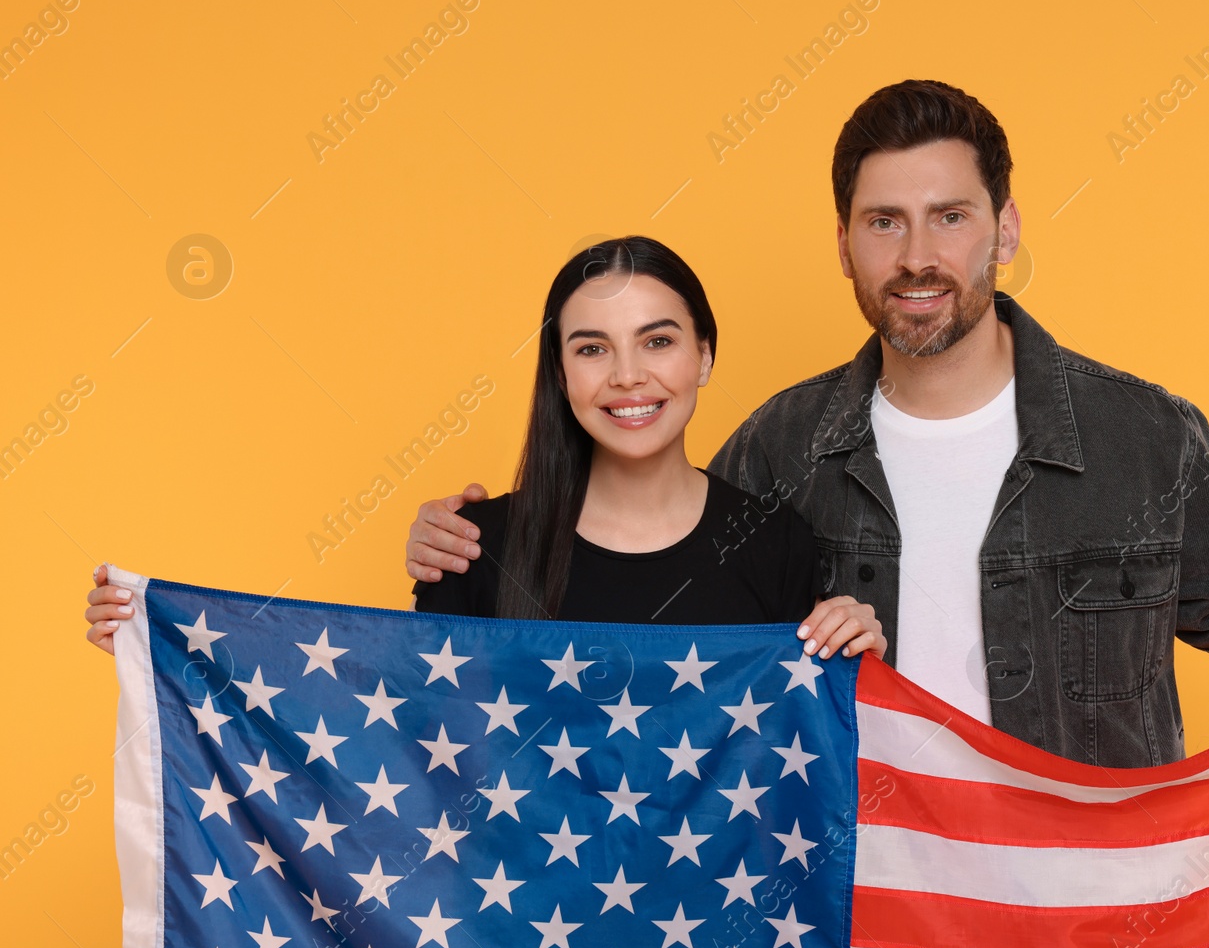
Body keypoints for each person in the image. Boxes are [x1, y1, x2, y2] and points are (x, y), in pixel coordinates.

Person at [410, 81, 1209, 768]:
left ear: (1003, 231)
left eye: (949, 217)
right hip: (862, 918)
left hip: (1084, 923)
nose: (915, 255)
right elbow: (653, 628)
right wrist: (484, 539)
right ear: (844, 245)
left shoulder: (1139, 436)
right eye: (884, 222)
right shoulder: (779, 452)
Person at [85, 236, 884, 661]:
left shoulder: (777, 545)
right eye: (592, 348)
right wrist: (162, 633)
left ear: (704, 355)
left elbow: (810, 770)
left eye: (659, 340)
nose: (629, 376)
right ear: (559, 372)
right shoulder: (475, 548)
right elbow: (397, 726)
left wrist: (861, 662)